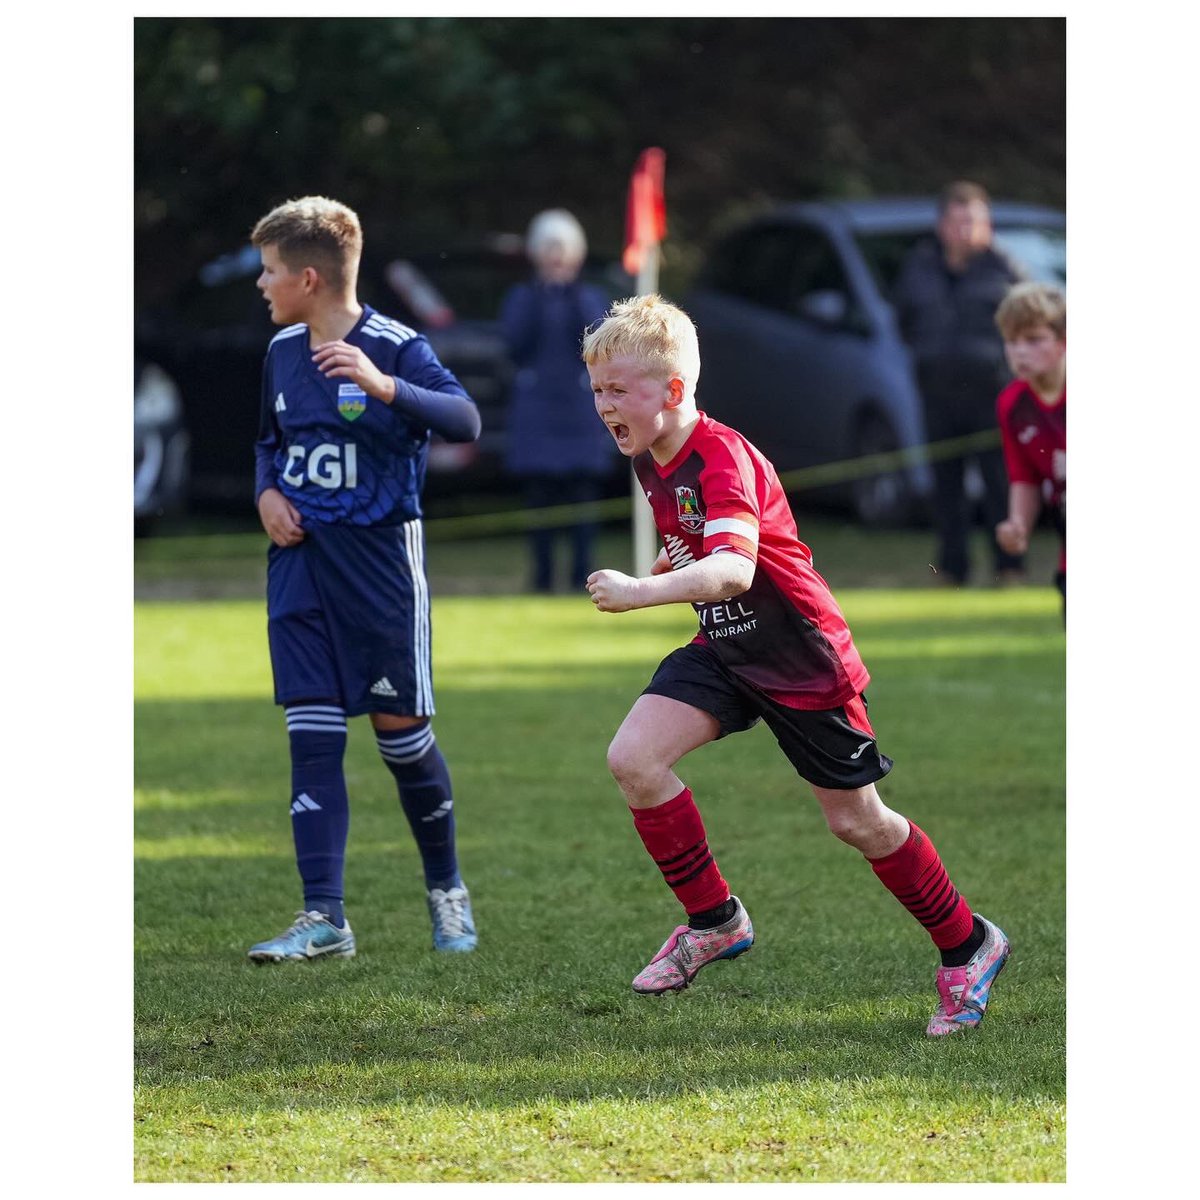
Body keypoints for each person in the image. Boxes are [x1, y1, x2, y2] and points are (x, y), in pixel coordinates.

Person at [582, 294, 1009, 1036]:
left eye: (618, 389)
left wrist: (639, 591)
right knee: (634, 759)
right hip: (727, 648)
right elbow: (711, 545)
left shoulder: (721, 454)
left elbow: (734, 570)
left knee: (857, 821)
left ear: (674, 390)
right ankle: (714, 921)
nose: (604, 405)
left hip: (801, 657)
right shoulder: (652, 455)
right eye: (597, 390)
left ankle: (970, 945)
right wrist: (674, 561)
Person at [246, 195, 482, 962]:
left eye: (270, 270)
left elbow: (465, 421)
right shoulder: (282, 351)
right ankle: (324, 918)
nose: (262, 283)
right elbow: (267, 442)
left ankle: (446, 888)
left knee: (401, 742)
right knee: (311, 738)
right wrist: (267, 493)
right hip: (300, 569)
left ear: (309, 278)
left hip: (379, 572)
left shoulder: (397, 346)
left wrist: (384, 387)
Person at [893, 181, 1026, 586]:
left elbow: (1028, 327)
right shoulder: (919, 268)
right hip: (938, 393)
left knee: (999, 484)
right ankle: (952, 570)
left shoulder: (1006, 270)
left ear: (987, 226)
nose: (966, 230)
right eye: (958, 221)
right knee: (946, 486)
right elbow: (903, 321)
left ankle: (1009, 567)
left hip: (992, 395)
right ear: (943, 226)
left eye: (975, 222)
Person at [500, 209, 615, 592]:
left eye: (563, 249)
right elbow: (514, 343)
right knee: (540, 501)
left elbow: (596, 341)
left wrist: (570, 291)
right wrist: (542, 294)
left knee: (582, 500)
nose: (555, 257)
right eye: (548, 248)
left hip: (578, 412)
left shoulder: (589, 297)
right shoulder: (522, 297)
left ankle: (582, 575)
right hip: (537, 412)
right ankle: (542, 578)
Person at [993, 282, 1067, 615]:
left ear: (1064, 342)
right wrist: (1018, 523)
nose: (1020, 351)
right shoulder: (1012, 404)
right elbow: (1025, 477)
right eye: (1012, 341)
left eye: (1034, 340)